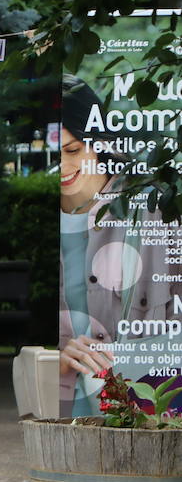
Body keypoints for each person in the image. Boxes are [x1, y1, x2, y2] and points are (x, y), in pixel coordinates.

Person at [57, 74, 182, 415]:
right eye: (54, 153)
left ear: (98, 141)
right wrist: (56, 356)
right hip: (61, 421)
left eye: (73, 150)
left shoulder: (157, 208)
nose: (63, 166)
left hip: (150, 421)